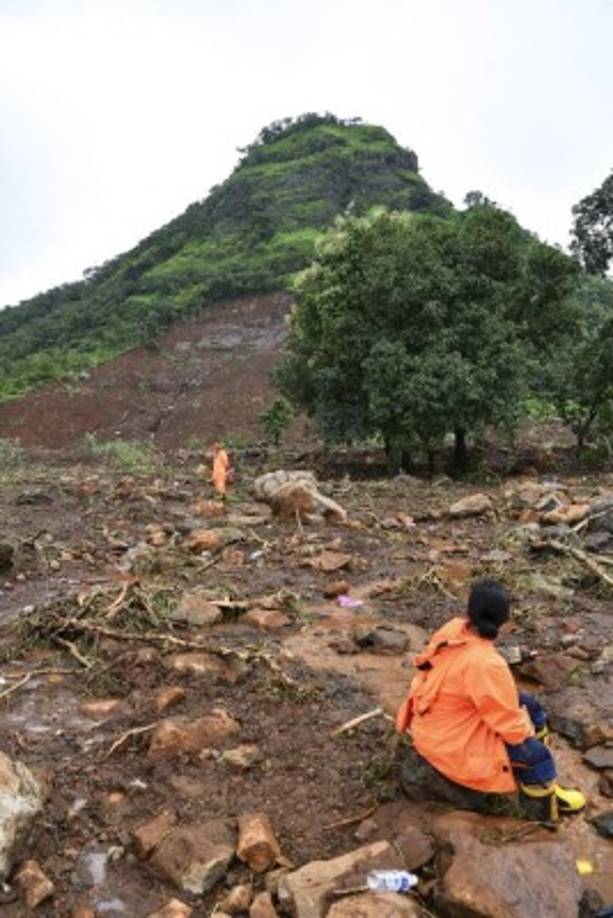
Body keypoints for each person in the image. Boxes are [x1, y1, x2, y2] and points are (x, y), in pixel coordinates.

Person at [395, 580, 585, 821]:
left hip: (438, 721)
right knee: (537, 756)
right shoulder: (487, 663)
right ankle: (543, 816)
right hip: (448, 745)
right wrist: (525, 737)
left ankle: (538, 782)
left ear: (469, 611)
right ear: (504, 620)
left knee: (531, 706)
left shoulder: (454, 630)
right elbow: (508, 724)